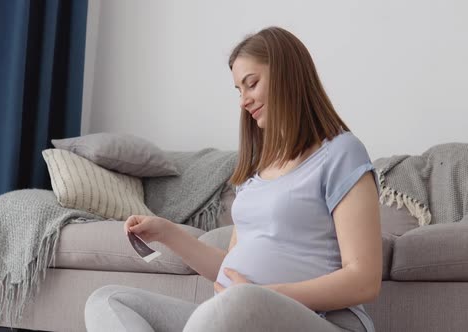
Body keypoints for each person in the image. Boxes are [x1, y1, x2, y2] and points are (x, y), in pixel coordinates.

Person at [84, 26, 382, 332]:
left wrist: (264, 295)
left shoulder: (341, 153)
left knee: (235, 306)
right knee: (109, 300)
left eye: (251, 84)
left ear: (287, 76)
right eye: (239, 91)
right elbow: (230, 265)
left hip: (322, 321)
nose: (244, 101)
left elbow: (364, 280)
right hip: (238, 314)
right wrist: (166, 232)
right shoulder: (256, 171)